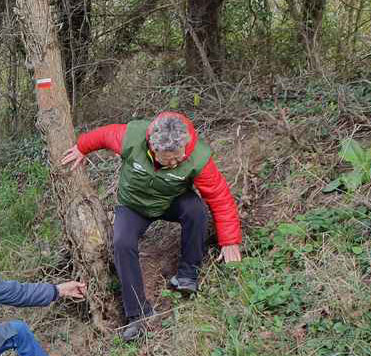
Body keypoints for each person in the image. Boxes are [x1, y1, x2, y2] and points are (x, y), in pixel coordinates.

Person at [61, 111, 242, 341]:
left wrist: (229, 240)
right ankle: (138, 315)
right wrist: (81, 147)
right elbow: (104, 136)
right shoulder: (132, 138)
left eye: (180, 157)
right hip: (134, 206)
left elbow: (219, 196)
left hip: (170, 201)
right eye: (170, 159)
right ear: (153, 149)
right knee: (122, 242)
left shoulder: (196, 156)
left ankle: (188, 275)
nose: (177, 162)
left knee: (196, 209)